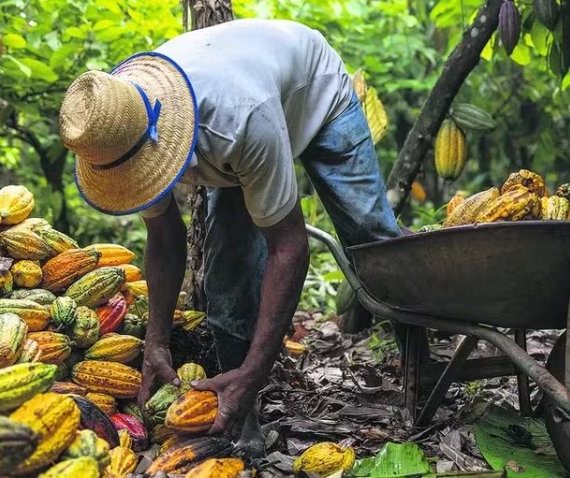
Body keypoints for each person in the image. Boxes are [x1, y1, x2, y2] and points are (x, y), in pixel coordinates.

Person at [58, 18, 401, 455]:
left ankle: (417, 350)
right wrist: (156, 342)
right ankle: (242, 412)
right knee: (228, 273)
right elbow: (164, 239)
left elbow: (289, 247)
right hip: (237, 115)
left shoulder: (238, 120)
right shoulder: (115, 128)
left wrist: (257, 370)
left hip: (316, 93)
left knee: (372, 238)